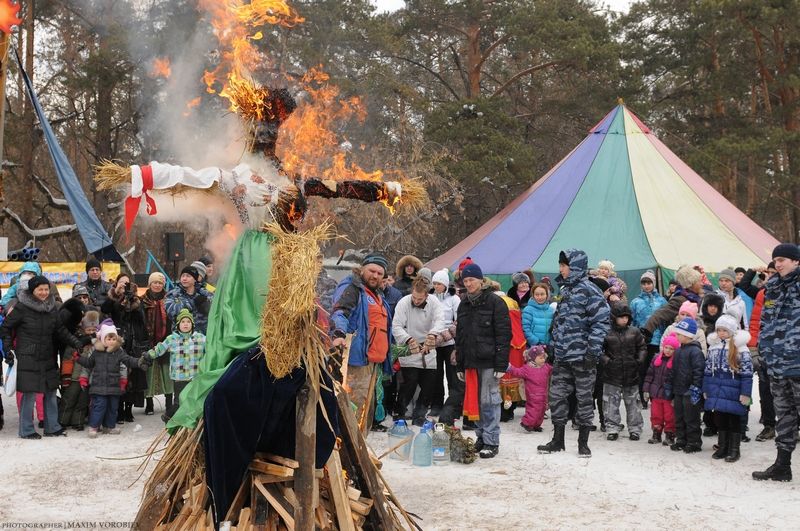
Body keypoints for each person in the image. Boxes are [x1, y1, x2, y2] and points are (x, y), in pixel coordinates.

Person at [538, 249, 610, 458]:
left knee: (584, 399)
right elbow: (559, 321)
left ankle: (583, 443)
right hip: (562, 356)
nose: (560, 269)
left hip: (583, 357)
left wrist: (592, 351)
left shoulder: (590, 290)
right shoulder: (566, 290)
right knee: (557, 397)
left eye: (564, 265)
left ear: (575, 266)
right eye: (560, 265)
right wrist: (553, 344)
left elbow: (600, 323)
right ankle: (557, 440)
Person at [1, 275, 91, 439]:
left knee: (50, 391)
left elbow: (61, 331)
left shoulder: (51, 309)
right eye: (40, 289)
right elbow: (5, 328)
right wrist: (7, 349)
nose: (43, 292)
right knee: (29, 393)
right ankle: (26, 430)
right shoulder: (21, 308)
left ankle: (52, 427)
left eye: (46, 289)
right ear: (32, 290)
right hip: (28, 356)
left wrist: (76, 342)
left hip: (47, 355)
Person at [330, 253, 393, 432]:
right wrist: (339, 333)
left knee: (366, 410)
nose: (375, 276)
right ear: (362, 269)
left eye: (380, 273)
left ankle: (360, 448)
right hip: (356, 361)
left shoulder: (378, 295)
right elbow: (340, 311)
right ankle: (348, 451)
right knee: (352, 408)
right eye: (372, 271)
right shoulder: (353, 287)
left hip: (373, 362)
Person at [753, 243, 800, 482]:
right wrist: (762, 351)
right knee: (785, 416)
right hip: (776, 364)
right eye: (776, 260)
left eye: (783, 259)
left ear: (796, 261)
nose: (778, 263)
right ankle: (782, 466)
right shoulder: (772, 287)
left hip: (798, 363)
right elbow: (765, 322)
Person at [455, 263, 511, 458]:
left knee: (489, 401)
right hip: (470, 361)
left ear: (481, 280)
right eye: (466, 280)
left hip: (489, 361)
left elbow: (504, 334)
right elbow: (460, 337)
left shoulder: (495, 302)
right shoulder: (464, 303)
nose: (468, 283)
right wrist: (460, 363)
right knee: (475, 402)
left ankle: (491, 440)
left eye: (472, 279)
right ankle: (481, 436)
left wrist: (501, 363)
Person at [76, 320, 148, 438]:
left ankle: (109, 426)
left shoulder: (119, 352)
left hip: (114, 386)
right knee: (99, 406)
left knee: (112, 407)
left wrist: (139, 362)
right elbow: (88, 363)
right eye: (109, 339)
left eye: (114, 339)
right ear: (103, 339)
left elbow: (128, 360)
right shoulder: (96, 352)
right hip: (99, 386)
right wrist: (78, 358)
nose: (111, 341)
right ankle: (94, 426)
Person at [391, 278, 446, 426]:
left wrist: (433, 334)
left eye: (419, 298)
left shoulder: (434, 302)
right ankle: (400, 413)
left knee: (429, 385)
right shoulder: (404, 302)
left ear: (427, 295)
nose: (416, 301)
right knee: (409, 382)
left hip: (428, 347)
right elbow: (396, 326)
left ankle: (419, 415)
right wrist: (408, 339)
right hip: (410, 346)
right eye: (414, 297)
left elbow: (440, 320)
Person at [703, 314, 753, 463]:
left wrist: (745, 393)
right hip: (717, 390)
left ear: (732, 331)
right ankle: (723, 447)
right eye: (719, 330)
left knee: (734, 420)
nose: (721, 333)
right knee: (720, 419)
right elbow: (707, 370)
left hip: (734, 390)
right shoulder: (713, 347)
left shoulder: (741, 348)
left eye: (725, 330)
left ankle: (734, 449)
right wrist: (706, 389)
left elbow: (747, 373)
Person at [142, 309, 207, 423]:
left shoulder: (200, 338)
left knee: (193, 401)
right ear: (178, 325)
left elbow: (211, 349)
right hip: (179, 377)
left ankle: (190, 423)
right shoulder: (172, 339)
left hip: (195, 377)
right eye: (183, 322)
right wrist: (148, 355)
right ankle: (169, 418)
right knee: (178, 401)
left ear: (192, 324)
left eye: (188, 321)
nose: (185, 324)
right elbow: (160, 349)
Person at [101, 273, 150, 424]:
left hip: (133, 342)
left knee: (132, 378)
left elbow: (141, 319)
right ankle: (119, 410)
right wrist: (116, 296)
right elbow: (105, 309)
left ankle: (128, 410)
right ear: (116, 284)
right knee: (118, 376)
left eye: (126, 283)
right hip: (117, 340)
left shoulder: (136, 299)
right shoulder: (112, 297)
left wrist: (133, 301)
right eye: (121, 283)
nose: (124, 285)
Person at [601, 303, 646, 441]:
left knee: (633, 402)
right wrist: (607, 361)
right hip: (611, 374)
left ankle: (635, 428)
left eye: (626, 317)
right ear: (614, 318)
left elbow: (642, 347)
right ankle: (612, 428)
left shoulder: (635, 331)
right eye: (621, 317)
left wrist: (638, 360)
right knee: (610, 402)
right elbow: (599, 350)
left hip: (631, 372)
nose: (624, 320)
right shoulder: (606, 332)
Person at [747, 263, 778, 442]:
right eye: (770, 272)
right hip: (766, 348)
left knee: (791, 391)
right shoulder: (763, 293)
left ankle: (793, 427)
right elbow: (756, 321)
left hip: (790, 351)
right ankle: (769, 425)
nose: (772, 275)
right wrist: (753, 347)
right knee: (765, 388)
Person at [668, 318, 705, 453]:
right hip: (678, 390)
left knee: (691, 418)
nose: (676, 336)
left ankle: (694, 442)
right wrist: (671, 389)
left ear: (688, 335)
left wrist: (696, 388)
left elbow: (698, 371)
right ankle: (681, 440)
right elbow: (674, 370)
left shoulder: (695, 352)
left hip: (690, 391)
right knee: (679, 417)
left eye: (679, 334)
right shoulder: (678, 351)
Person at [631, 270, 667, 406]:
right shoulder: (635, 302)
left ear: (654, 283)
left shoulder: (662, 301)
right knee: (642, 369)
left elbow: (664, 321)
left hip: (657, 340)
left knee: (657, 370)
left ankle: (655, 397)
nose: (646, 286)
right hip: (641, 341)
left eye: (649, 283)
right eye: (644, 283)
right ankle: (641, 398)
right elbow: (633, 321)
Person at [60, 311, 98, 431]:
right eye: (89, 330)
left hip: (87, 378)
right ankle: (63, 420)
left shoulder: (97, 345)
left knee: (83, 401)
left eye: (94, 330)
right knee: (69, 399)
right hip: (74, 377)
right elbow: (67, 359)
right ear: (83, 329)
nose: (91, 333)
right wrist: (66, 377)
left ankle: (78, 421)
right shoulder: (76, 342)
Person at [142, 272, 173, 416]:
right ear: (150, 284)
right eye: (155, 282)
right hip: (149, 340)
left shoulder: (169, 300)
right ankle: (149, 404)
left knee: (167, 373)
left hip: (166, 339)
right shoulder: (142, 301)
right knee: (150, 373)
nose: (157, 285)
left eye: (160, 283)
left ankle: (169, 403)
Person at [430, 268, 460, 417]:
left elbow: (459, 320)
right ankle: (436, 404)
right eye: (434, 283)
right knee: (436, 375)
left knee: (452, 375)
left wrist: (446, 335)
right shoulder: (430, 298)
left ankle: (454, 406)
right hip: (434, 341)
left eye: (439, 283)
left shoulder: (454, 299)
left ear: (446, 284)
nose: (436, 286)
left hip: (450, 342)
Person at [644, 333, 679, 445]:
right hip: (655, 394)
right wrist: (646, 389)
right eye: (666, 347)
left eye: (671, 349)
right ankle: (656, 433)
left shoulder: (676, 362)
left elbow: (677, 380)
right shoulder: (656, 358)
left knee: (669, 416)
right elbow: (649, 375)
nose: (668, 350)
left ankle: (670, 435)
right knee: (656, 415)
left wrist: (675, 395)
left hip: (668, 395)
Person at [506, 345, 552, 432]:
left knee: (541, 411)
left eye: (544, 357)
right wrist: (510, 368)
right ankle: (526, 423)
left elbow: (553, 369)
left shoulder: (546, 367)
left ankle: (536, 425)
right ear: (533, 358)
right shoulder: (527, 369)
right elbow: (517, 372)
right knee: (533, 410)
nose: (543, 360)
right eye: (541, 358)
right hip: (532, 395)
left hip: (543, 395)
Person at [165, 265, 213, 334]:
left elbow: (215, 308)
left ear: (195, 279)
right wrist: (193, 303)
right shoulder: (174, 293)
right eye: (183, 276)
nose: (184, 279)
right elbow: (170, 311)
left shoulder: (204, 293)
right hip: (181, 337)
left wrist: (206, 304)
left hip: (202, 336)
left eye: (188, 276)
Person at [521, 283, 555, 348]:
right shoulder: (528, 310)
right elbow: (525, 329)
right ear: (533, 295)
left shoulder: (551, 310)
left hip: (548, 347)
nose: (540, 297)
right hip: (533, 347)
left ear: (547, 295)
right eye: (537, 295)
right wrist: (536, 342)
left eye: (542, 294)